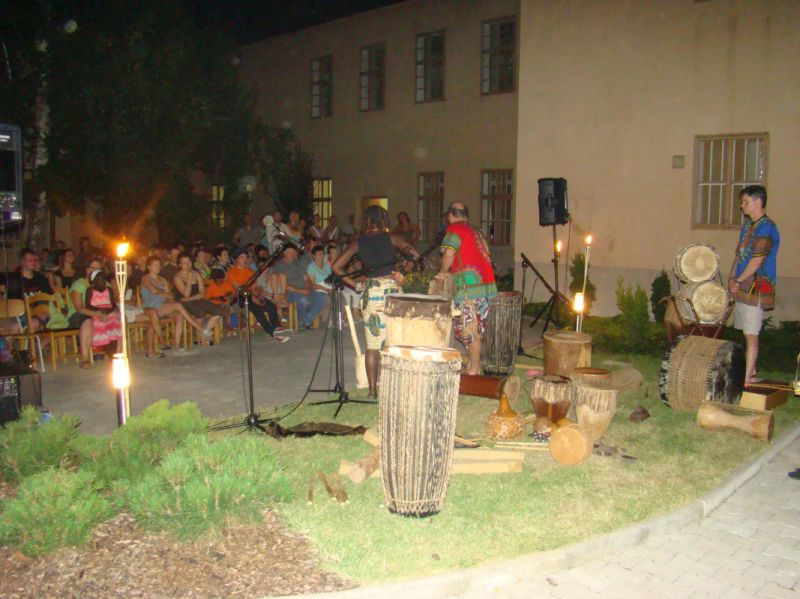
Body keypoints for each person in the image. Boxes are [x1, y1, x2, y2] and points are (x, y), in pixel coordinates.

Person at [332, 205, 418, 398]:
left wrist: (356, 285)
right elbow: (415, 255)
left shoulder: (359, 242)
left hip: (371, 292)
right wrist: (403, 272)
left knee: (372, 344)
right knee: (396, 340)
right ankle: (397, 386)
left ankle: (372, 391)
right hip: (392, 292)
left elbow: (336, 266)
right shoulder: (392, 238)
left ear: (366, 221)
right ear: (384, 219)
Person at [727, 185, 780, 385]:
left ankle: (747, 379)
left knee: (752, 334)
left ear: (758, 201)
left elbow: (757, 260)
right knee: (745, 332)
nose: (742, 206)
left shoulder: (767, 227)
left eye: (745, 201)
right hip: (742, 286)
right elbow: (739, 256)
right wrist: (732, 279)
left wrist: (739, 280)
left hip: (757, 286)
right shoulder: (748, 227)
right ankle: (753, 373)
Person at [438, 201, 497, 375]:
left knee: (470, 330)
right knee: (474, 328)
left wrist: (442, 272)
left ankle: (474, 370)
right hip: (485, 286)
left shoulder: (455, 229)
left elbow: (449, 254)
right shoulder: (476, 230)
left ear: (451, 215)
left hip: (469, 287)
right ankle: (472, 363)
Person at [141, 256, 212, 357]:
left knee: (179, 315)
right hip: (150, 306)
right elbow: (154, 291)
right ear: (149, 267)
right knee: (178, 305)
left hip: (162, 306)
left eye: (159, 265)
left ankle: (177, 346)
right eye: (155, 265)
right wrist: (163, 293)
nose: (158, 267)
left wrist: (163, 294)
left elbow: (171, 295)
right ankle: (200, 328)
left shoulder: (162, 279)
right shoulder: (145, 278)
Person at [225, 249, 289, 342]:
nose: (244, 259)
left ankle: (276, 327)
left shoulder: (249, 271)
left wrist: (258, 295)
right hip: (239, 297)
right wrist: (253, 298)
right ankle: (271, 333)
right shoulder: (232, 272)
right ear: (237, 259)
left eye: (246, 257)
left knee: (271, 306)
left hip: (252, 295)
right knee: (257, 310)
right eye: (242, 257)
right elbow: (239, 289)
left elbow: (256, 286)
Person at [273, 246, 326, 330]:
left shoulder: (298, 263)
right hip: (290, 292)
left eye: (294, 252)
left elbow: (306, 279)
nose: (293, 254)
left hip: (305, 289)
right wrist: (300, 291)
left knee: (321, 298)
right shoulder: (280, 265)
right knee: (303, 301)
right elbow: (281, 284)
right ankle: (303, 323)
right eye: (290, 252)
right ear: (284, 253)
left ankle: (306, 322)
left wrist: (308, 288)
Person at [173, 252, 222, 340]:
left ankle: (204, 332)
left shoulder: (196, 274)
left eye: (189, 262)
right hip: (183, 302)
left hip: (195, 299)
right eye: (184, 263)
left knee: (217, 310)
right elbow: (186, 294)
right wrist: (189, 279)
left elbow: (202, 292)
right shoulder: (177, 277)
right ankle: (200, 333)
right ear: (180, 265)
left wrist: (191, 298)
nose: (187, 264)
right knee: (200, 312)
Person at [69, 259, 103, 368]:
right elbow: (79, 308)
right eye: (94, 268)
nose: (97, 271)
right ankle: (85, 358)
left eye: (99, 269)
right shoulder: (79, 284)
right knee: (88, 320)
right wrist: (96, 313)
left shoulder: (103, 283)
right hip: (77, 315)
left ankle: (116, 352)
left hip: (97, 313)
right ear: (87, 270)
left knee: (119, 316)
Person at [84, 270, 122, 356]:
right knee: (101, 323)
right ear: (94, 281)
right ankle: (108, 352)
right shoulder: (90, 290)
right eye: (100, 279)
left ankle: (115, 352)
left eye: (104, 279)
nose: (103, 281)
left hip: (109, 312)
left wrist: (109, 310)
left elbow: (113, 303)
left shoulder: (109, 290)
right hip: (97, 313)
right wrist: (99, 310)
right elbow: (88, 305)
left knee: (115, 321)